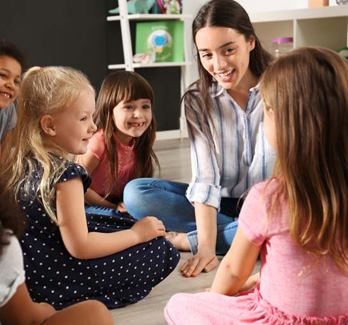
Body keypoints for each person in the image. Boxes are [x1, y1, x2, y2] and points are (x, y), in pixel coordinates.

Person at [164, 47, 348, 324]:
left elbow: (234, 273)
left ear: (285, 124)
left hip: (280, 318)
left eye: (268, 113)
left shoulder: (269, 196)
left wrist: (216, 298)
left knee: (178, 304)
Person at [0, 66, 180, 310]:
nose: (93, 127)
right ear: (50, 126)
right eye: (84, 118)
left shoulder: (21, 164)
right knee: (161, 251)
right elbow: (81, 247)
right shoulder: (66, 175)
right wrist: (137, 235)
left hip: (27, 272)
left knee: (124, 225)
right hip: (53, 279)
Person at [124, 0, 276, 277]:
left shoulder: (283, 84)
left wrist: (192, 242)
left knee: (288, 216)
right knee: (137, 194)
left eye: (228, 50)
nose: (218, 65)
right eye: (206, 54)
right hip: (224, 201)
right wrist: (205, 247)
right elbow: (206, 177)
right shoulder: (198, 100)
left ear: (250, 41)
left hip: (274, 204)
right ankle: (254, 238)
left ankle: (212, 237)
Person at [0, 179, 114, 325]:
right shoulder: (4, 242)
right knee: (95, 313)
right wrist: (137, 235)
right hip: (53, 284)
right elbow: (25, 319)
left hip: (36, 279)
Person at [75, 70, 159, 214]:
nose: (138, 115)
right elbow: (77, 186)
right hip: (90, 202)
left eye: (145, 106)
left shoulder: (146, 137)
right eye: (128, 107)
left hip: (122, 200)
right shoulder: (97, 143)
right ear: (110, 111)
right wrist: (113, 208)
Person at [0, 39, 26, 160]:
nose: (11, 85)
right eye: (3, 75)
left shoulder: (8, 110)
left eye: (16, 81)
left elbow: (3, 156)